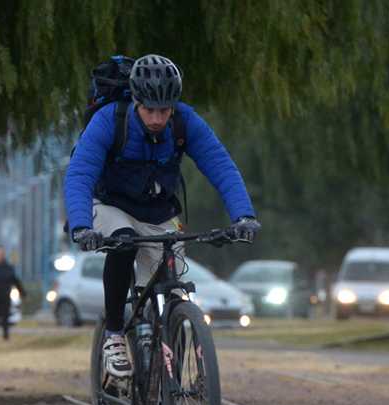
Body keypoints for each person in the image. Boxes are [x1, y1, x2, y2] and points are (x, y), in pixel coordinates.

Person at [64, 54, 261, 378]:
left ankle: (171, 391)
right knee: (123, 242)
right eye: (150, 110)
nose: (157, 118)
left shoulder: (185, 121)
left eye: (164, 110)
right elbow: (80, 174)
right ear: (136, 101)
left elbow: (221, 166)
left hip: (158, 212)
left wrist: (243, 216)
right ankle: (114, 335)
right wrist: (82, 225)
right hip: (108, 205)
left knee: (171, 296)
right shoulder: (109, 120)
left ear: (174, 106)